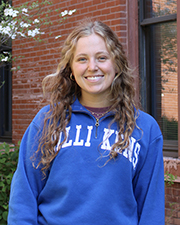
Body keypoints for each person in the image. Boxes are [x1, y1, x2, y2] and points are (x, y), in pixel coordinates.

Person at [8, 19, 165, 225]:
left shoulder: (145, 128)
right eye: (82, 59)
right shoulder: (47, 122)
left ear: (116, 65)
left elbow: (151, 209)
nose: (92, 67)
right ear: (71, 69)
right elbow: (23, 196)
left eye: (102, 57)